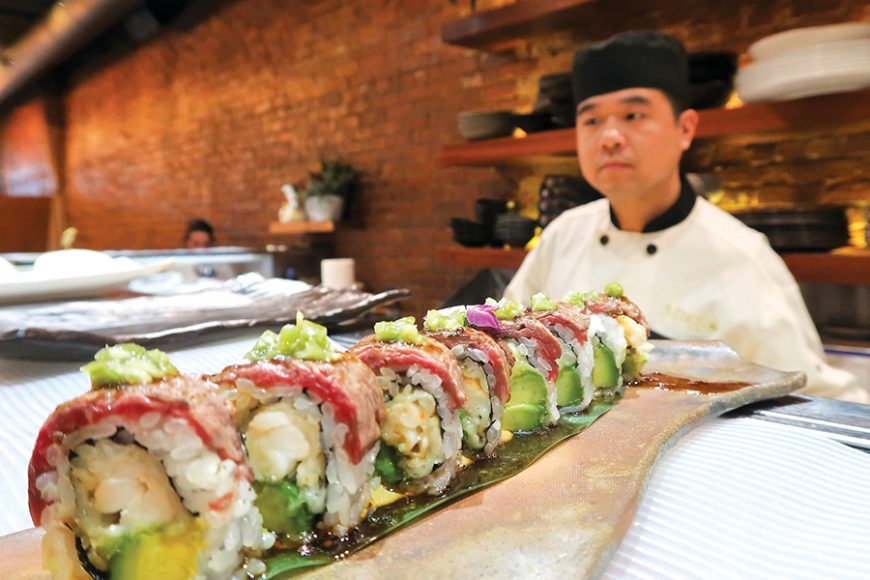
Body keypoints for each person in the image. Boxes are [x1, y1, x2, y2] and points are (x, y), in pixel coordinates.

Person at [504, 31, 866, 403]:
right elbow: (508, 350)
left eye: (633, 115)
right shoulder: (562, 235)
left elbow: (809, 395)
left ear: (686, 128)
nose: (610, 137)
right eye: (592, 121)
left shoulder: (741, 256)